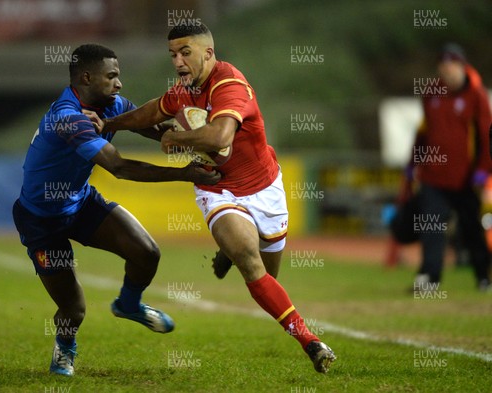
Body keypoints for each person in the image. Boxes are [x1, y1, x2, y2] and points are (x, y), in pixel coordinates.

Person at [101, 24, 336, 373]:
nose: (178, 61)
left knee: (269, 277)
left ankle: (230, 251)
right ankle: (311, 341)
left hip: (264, 189)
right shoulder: (182, 90)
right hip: (217, 187)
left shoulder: (230, 85)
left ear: (208, 53)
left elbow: (221, 134)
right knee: (249, 261)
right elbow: (153, 111)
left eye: (185, 52)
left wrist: (176, 140)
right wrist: (109, 124)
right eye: (172, 55)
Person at [12, 44, 220, 377]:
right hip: (41, 220)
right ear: (86, 77)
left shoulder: (110, 105)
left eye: (118, 76)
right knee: (73, 308)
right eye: (111, 76)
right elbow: (119, 167)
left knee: (147, 252)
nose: (119, 84)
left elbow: (150, 128)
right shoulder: (69, 118)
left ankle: (128, 304)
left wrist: (193, 137)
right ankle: (65, 348)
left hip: (80, 203)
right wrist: (183, 173)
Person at [408, 43, 492, 292]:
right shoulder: (431, 92)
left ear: (462, 66)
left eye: (452, 65)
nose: (447, 71)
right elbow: (423, 133)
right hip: (434, 176)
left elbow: (486, 136)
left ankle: (483, 276)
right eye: (443, 66)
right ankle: (431, 278)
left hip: (466, 177)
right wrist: (414, 162)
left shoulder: (475, 95)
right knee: (432, 225)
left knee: (471, 227)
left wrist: (483, 170)